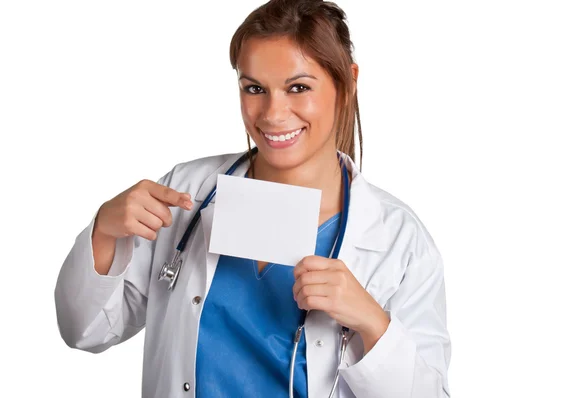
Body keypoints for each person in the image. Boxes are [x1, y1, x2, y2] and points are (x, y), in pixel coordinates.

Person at [54, 0, 451, 397]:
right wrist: (104, 231)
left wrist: (371, 322)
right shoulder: (187, 193)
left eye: (298, 87)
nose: (273, 114)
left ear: (347, 83)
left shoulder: (398, 240)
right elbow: (86, 331)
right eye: (254, 88)